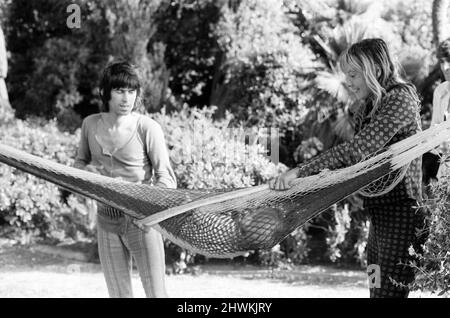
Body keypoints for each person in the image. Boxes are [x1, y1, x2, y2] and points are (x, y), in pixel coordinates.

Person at [270, 38, 426, 298]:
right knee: (375, 288)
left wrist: (300, 170)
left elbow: (357, 151)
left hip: (402, 215)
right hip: (378, 214)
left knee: (388, 294)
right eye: (347, 75)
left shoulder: (400, 99)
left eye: (353, 74)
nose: (348, 82)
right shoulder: (368, 105)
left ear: (375, 70)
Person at [74, 61, 176, 298]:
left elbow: (167, 179)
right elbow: (80, 163)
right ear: (105, 92)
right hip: (106, 221)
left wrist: (146, 205)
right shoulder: (90, 124)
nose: (126, 98)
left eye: (132, 91)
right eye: (120, 91)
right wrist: (85, 183)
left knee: (156, 294)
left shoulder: (147, 128)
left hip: (141, 221)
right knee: (119, 295)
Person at [428, 38, 450, 179]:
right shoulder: (440, 92)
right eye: (442, 62)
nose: (446, 67)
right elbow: (433, 134)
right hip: (446, 168)